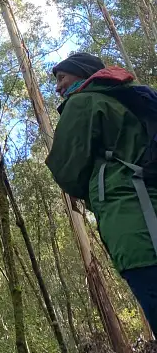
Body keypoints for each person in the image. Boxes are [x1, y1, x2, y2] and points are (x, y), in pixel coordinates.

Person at [45, 52, 157, 333]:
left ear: (82, 74)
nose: (58, 87)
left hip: (133, 221)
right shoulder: (128, 98)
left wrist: (92, 185)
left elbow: (66, 168)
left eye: (62, 78)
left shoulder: (82, 102)